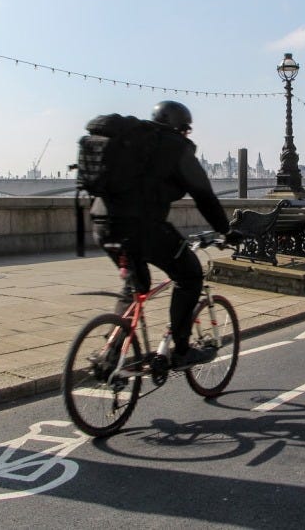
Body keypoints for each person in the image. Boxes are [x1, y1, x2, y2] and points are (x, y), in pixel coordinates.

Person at [90, 100, 236, 369]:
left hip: (101, 222)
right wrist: (227, 231)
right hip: (141, 227)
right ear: (180, 128)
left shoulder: (133, 140)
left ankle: (110, 355)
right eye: (187, 131)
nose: (187, 136)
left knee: (135, 286)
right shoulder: (175, 146)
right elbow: (204, 196)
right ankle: (181, 350)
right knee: (190, 276)